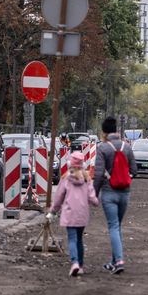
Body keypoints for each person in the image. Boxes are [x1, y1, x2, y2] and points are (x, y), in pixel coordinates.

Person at [94, 117, 136, 274]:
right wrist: (125, 179)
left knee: (113, 226)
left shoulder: (103, 148)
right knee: (117, 226)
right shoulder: (127, 147)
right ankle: (113, 261)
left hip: (109, 193)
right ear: (116, 130)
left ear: (104, 132)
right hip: (125, 193)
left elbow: (98, 175)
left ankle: (119, 261)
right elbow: (134, 170)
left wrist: (94, 193)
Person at [49, 151, 100, 277]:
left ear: (70, 164)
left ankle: (74, 263)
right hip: (82, 213)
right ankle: (81, 266)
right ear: (82, 164)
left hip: (69, 212)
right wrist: (95, 202)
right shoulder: (87, 178)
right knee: (79, 239)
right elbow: (92, 196)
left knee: (72, 239)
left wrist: (53, 211)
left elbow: (59, 197)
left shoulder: (66, 178)